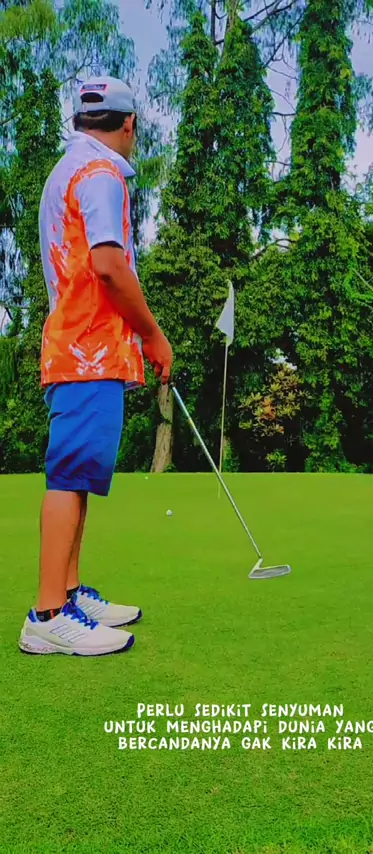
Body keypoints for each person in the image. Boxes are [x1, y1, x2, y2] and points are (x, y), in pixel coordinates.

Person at [18, 76, 173, 656]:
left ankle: (69, 593)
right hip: (89, 348)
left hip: (77, 344)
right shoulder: (103, 173)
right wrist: (153, 335)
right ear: (129, 124)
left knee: (78, 474)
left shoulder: (68, 169)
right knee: (69, 475)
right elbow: (109, 264)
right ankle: (48, 614)